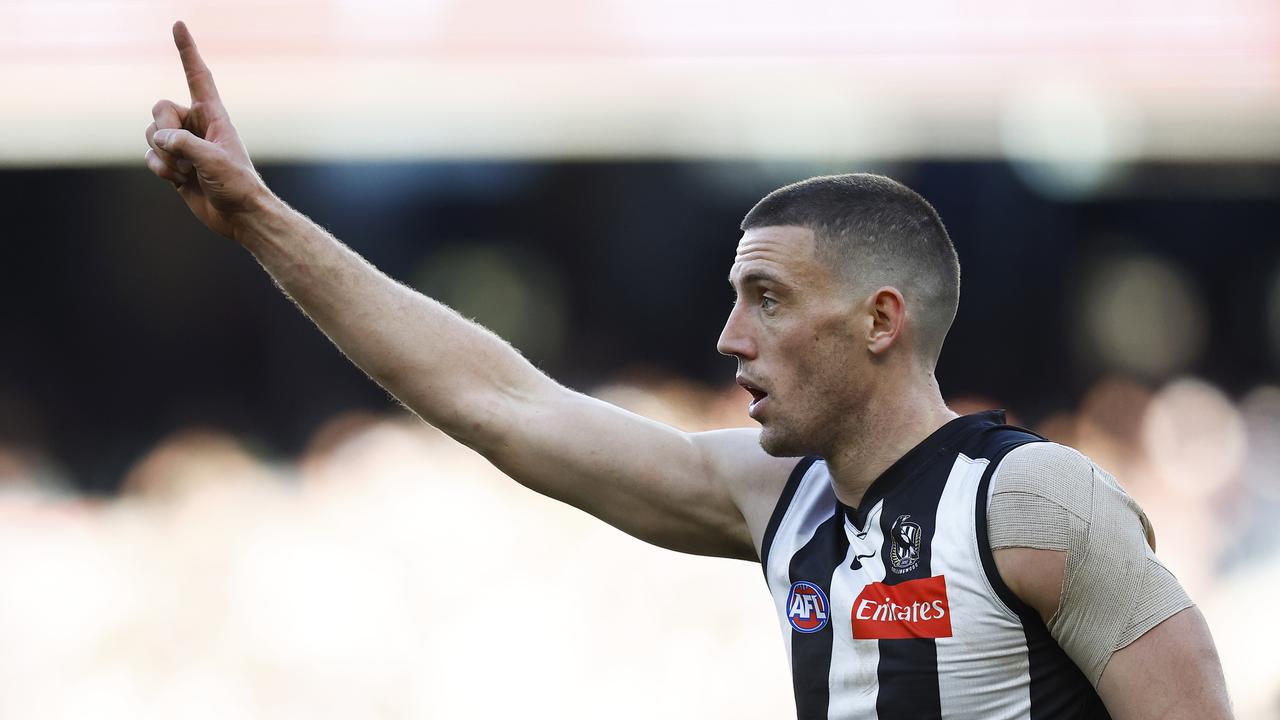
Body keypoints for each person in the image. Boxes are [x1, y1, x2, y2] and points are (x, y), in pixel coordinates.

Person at [143, 21, 1233, 720]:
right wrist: (259, 219)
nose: (727, 338)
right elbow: (498, 404)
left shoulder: (1034, 500)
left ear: (879, 321)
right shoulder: (777, 500)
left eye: (765, 299)